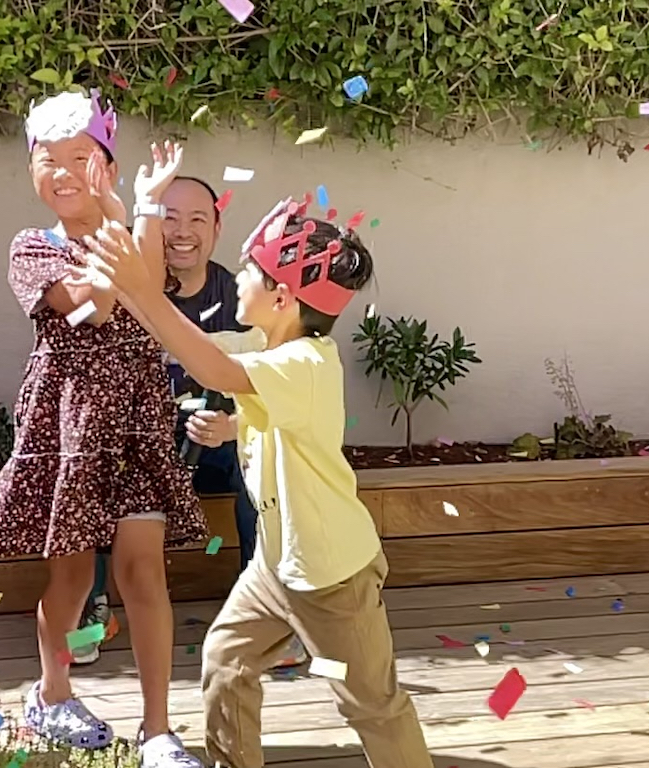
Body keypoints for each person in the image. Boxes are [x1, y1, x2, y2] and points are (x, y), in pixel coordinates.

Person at [72, 188, 432, 768]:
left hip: (330, 576)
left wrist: (139, 286)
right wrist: (130, 256)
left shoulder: (304, 360)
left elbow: (211, 366)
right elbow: (183, 347)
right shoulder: (271, 343)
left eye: (250, 271)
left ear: (283, 298)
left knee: (371, 705)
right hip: (276, 562)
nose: (236, 279)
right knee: (225, 662)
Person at [0, 89, 207, 768]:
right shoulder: (32, 249)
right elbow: (96, 305)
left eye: (80, 157)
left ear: (106, 164)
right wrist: (118, 218)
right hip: (69, 422)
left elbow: (146, 283)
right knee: (74, 577)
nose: (62, 172)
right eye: (47, 161)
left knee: (144, 574)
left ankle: (159, 732)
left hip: (138, 421)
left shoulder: (131, 220)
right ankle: (52, 694)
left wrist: (136, 207)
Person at [74, 176, 307, 670]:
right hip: (138, 453)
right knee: (91, 467)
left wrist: (236, 426)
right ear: (148, 225)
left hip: (216, 447)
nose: (181, 231)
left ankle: (265, 615)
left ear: (217, 228)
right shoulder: (126, 288)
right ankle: (90, 608)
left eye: (197, 219)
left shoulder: (243, 298)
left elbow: (274, 387)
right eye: (168, 218)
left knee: (267, 462)